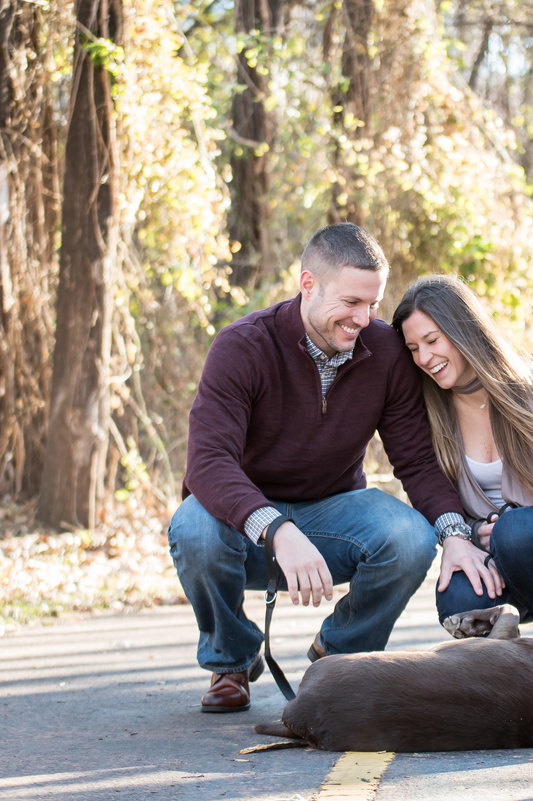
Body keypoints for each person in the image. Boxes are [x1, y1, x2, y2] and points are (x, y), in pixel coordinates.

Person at [168, 223, 481, 713]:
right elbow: (207, 464)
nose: (364, 318)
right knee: (192, 527)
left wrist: (455, 533)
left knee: (410, 536)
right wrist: (276, 529)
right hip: (247, 524)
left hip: (333, 515)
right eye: (351, 302)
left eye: (373, 304)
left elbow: (416, 461)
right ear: (308, 284)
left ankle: (339, 656)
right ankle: (231, 661)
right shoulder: (243, 346)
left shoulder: (386, 353)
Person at [391, 275, 533, 642]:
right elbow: (438, 497)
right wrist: (469, 535)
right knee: (458, 599)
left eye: (433, 341)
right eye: (413, 348)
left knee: (517, 531)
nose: (424, 358)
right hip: (497, 561)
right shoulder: (430, 409)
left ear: (464, 329)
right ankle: (511, 667)